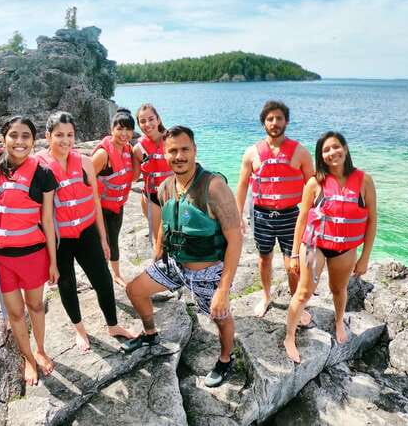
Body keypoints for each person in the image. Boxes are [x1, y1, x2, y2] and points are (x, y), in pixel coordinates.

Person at [123, 125, 243, 388]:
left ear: (195, 150)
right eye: (173, 151)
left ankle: (226, 359)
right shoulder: (166, 186)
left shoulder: (214, 187)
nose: (179, 156)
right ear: (164, 154)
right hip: (174, 264)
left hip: (207, 271)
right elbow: (166, 223)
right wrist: (158, 252)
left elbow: (236, 239)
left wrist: (223, 290)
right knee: (134, 290)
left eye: (185, 149)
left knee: (220, 317)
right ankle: (150, 334)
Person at [0, 116, 59, 386]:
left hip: (34, 255)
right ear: (3, 139)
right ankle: (28, 358)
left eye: (26, 136)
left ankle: (40, 349)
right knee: (16, 314)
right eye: (14, 135)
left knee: (36, 306)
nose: (19, 142)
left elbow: (47, 221)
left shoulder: (43, 174)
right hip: (0, 259)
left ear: (34, 141)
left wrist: (53, 262)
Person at [37, 111, 135, 353]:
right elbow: (44, 216)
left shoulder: (84, 162)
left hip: (87, 231)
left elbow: (95, 201)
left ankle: (113, 325)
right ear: (48, 136)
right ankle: (80, 329)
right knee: (67, 284)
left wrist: (103, 238)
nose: (65, 140)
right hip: (60, 238)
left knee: (103, 280)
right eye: (59, 135)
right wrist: (50, 258)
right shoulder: (39, 166)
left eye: (70, 135)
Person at [284, 131, 377, 363]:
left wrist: (365, 257)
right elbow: (301, 220)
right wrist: (294, 254)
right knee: (303, 292)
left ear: (345, 148)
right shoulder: (314, 183)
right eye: (326, 150)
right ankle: (289, 336)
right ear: (320, 155)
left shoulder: (364, 181)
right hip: (314, 245)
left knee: (338, 289)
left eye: (336, 147)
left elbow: (372, 220)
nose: (332, 153)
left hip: (345, 248)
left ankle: (338, 321)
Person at [235, 100, 314, 321]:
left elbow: (313, 187)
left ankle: (296, 303)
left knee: (293, 265)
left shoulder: (300, 152)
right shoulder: (252, 153)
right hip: (262, 216)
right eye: (270, 119)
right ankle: (266, 296)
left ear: (286, 121)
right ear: (264, 123)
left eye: (279, 118)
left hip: (291, 216)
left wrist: (315, 218)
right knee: (264, 259)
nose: (275, 122)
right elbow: (242, 185)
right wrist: (238, 215)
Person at [92, 108, 139, 287]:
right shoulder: (103, 154)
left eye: (128, 129)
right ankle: (101, 277)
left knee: (113, 240)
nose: (124, 133)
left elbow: (134, 176)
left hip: (117, 206)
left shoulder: (128, 149)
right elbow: (85, 180)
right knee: (101, 244)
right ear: (112, 129)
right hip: (99, 208)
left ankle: (116, 275)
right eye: (120, 129)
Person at [133, 103, 172, 246]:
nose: (147, 124)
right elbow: (134, 177)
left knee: (179, 235)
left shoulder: (172, 140)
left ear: (158, 119)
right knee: (159, 241)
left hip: (175, 194)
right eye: (142, 121)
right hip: (152, 197)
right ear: (139, 125)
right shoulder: (137, 149)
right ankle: (160, 260)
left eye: (151, 119)